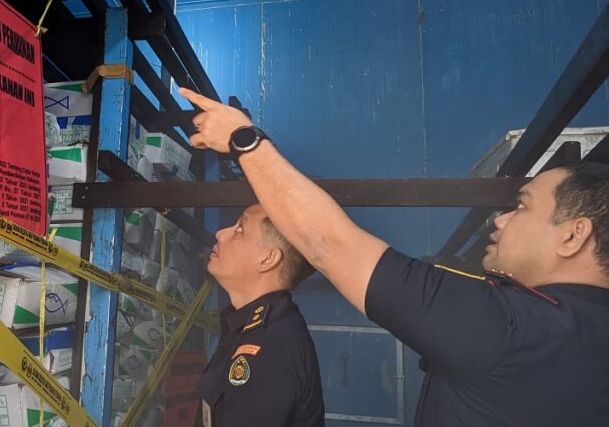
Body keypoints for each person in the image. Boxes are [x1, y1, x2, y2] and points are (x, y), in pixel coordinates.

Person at [179, 87, 609, 426]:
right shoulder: (585, 338)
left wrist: (243, 140)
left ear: (574, 234)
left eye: (523, 206)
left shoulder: (512, 329)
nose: (499, 220)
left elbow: (330, 244)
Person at [197, 203, 324, 427]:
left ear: (268, 259)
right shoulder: (251, 327)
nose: (220, 234)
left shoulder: (268, 348)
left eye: (239, 229)